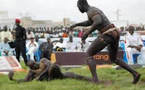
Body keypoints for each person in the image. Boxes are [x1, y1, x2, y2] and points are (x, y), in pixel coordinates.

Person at [69, 0, 140, 84]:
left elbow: (98, 21)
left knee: (88, 54)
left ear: (82, 4)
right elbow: (90, 22)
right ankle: (135, 73)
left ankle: (95, 81)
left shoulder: (91, 11)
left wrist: (87, 32)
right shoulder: (92, 10)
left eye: (78, 7)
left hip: (108, 34)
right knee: (113, 58)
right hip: (114, 33)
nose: (78, 9)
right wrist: (76, 24)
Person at [8, 58, 92, 83]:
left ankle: (92, 79)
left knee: (52, 66)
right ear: (30, 67)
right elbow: (25, 80)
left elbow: (50, 66)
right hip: (49, 78)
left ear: (35, 62)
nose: (34, 66)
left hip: (57, 74)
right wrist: (13, 79)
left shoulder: (43, 61)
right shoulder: (32, 72)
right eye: (32, 67)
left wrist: (40, 75)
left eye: (34, 64)